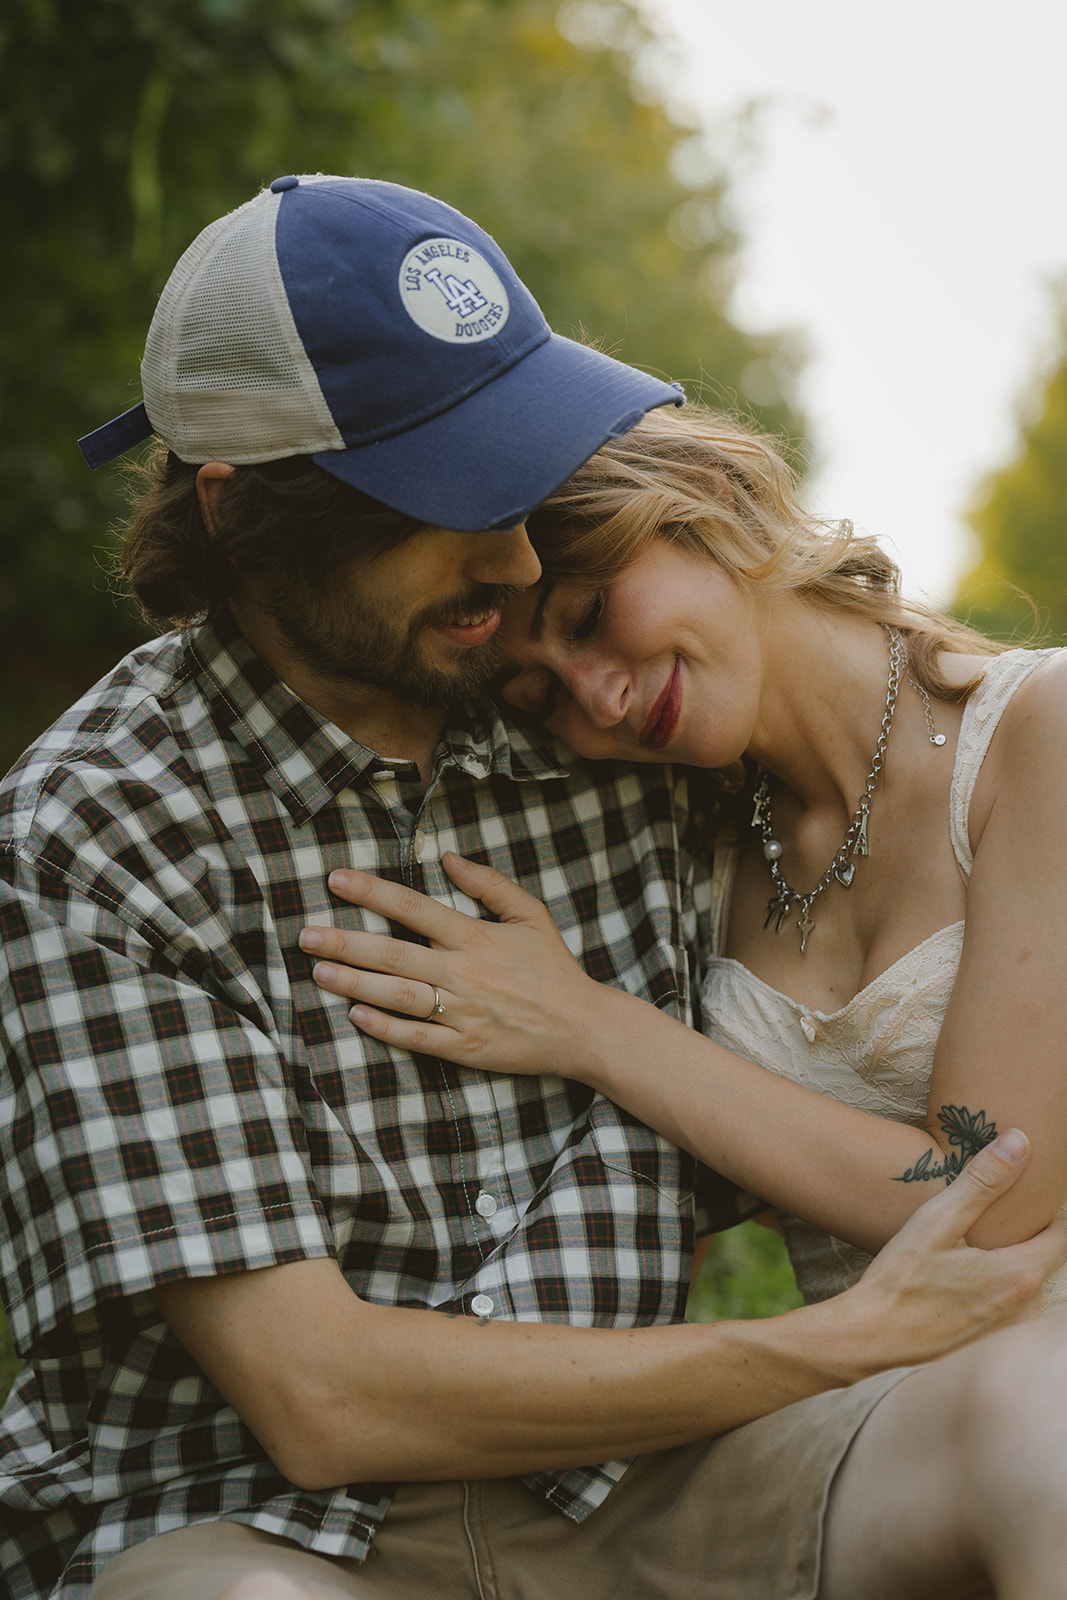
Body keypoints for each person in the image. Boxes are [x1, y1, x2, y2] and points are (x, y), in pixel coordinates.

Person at [0, 176, 1062, 1600]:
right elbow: (319, 1399)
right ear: (243, 513)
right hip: (266, 1520)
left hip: (655, 1484)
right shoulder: (101, 831)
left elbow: (850, 762)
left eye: (512, 478)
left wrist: (592, 1024)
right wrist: (832, 1344)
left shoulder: (622, 749)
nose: (512, 557)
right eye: (447, 497)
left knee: (1041, 1423)